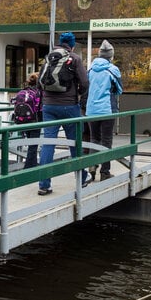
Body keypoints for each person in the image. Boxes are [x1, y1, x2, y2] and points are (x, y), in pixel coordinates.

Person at [37, 32, 89, 196]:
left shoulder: (49, 57)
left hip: (48, 107)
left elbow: (40, 82)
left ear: (60, 43)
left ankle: (44, 185)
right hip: (69, 106)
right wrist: (78, 94)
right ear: (72, 45)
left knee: (48, 144)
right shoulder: (75, 59)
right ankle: (81, 178)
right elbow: (85, 83)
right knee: (75, 143)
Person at [85, 39, 122, 182]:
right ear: (111, 56)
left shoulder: (90, 69)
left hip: (91, 110)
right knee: (106, 140)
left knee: (94, 138)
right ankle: (105, 172)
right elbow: (119, 89)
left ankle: (92, 168)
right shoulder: (112, 70)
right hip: (107, 109)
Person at [14, 72, 43, 169]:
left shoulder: (23, 91)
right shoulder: (38, 92)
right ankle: (29, 166)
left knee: (30, 142)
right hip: (35, 120)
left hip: (23, 120)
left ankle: (32, 163)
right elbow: (40, 107)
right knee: (33, 144)